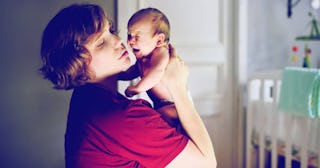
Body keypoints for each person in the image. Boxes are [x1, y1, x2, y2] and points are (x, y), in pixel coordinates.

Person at [39, 3, 216, 168]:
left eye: (112, 31)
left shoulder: (86, 97)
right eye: (101, 42)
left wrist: (161, 98)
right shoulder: (118, 116)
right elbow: (206, 164)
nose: (118, 41)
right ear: (77, 63)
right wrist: (178, 88)